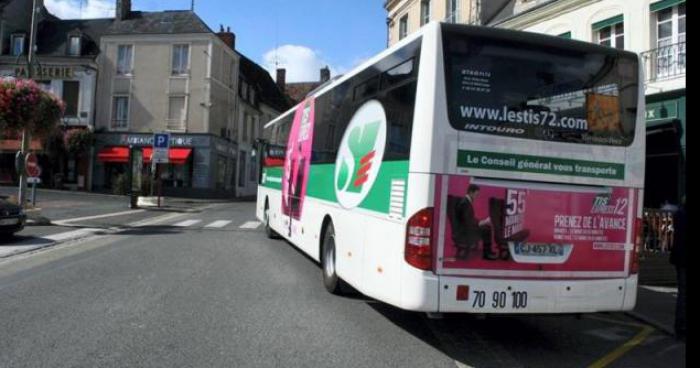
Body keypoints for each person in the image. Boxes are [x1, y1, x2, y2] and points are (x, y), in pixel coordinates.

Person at [453, 184, 499, 260]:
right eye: (476, 194)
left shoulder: (466, 201)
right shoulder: (465, 203)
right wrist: (482, 222)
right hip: (464, 231)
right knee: (486, 229)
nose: (476, 197)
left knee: (486, 227)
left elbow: (469, 218)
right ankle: (487, 254)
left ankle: (488, 252)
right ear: (471, 192)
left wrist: (481, 222)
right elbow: (468, 221)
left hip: (464, 228)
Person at [670, 196, 686, 340]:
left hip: (679, 258)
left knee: (682, 293)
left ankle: (679, 327)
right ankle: (681, 327)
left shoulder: (678, 215)